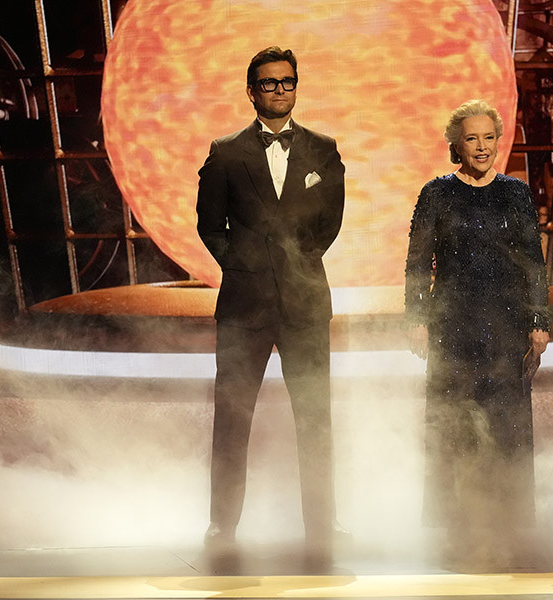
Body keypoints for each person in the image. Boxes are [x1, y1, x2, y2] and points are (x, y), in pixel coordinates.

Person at [196, 46, 346, 565]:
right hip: (244, 307)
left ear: (296, 86)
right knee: (232, 418)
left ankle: (323, 523)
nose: (278, 89)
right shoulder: (226, 151)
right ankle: (221, 524)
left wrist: (295, 268)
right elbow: (210, 226)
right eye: (268, 83)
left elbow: (330, 224)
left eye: (286, 82)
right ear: (252, 90)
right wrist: (245, 267)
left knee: (316, 419)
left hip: (306, 304)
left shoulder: (323, 150)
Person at [405, 99, 550, 565]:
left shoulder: (516, 193)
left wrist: (539, 321)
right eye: (472, 137)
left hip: (507, 329)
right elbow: (416, 264)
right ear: (456, 144)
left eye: (489, 136)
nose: (482, 146)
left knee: (507, 428)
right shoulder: (436, 194)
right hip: (452, 329)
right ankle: (458, 529)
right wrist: (416, 320)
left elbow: (533, 262)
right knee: (455, 428)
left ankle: (507, 526)